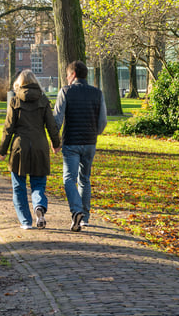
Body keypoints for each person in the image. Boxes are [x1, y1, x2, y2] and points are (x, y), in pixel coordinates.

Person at [0, 70, 61, 230]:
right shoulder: (43, 99)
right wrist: (56, 144)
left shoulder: (14, 101)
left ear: (19, 83)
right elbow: (51, 125)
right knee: (38, 183)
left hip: (20, 147)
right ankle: (39, 207)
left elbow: (8, 128)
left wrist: (3, 150)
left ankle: (26, 222)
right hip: (40, 146)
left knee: (18, 186)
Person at [53, 61, 107, 232]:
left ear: (73, 75)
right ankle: (85, 218)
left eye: (68, 75)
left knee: (69, 178)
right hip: (90, 142)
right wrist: (94, 133)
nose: (67, 79)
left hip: (72, 143)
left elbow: (57, 119)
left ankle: (77, 210)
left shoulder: (66, 91)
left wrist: (56, 141)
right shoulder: (97, 93)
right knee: (85, 179)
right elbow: (103, 121)